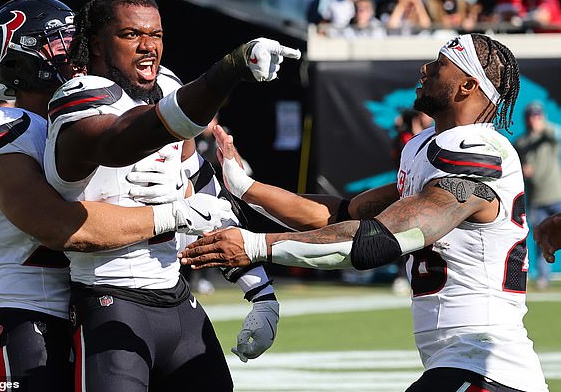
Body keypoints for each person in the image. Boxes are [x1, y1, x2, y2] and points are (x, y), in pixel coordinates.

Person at [181, 33, 549, 392]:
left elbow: (379, 239)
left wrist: (258, 246)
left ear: (467, 86)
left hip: (488, 365)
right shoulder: (425, 147)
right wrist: (245, 187)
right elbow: (343, 215)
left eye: (440, 64)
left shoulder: (474, 152)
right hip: (460, 362)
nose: (425, 69)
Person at [0, 0, 277, 391]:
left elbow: (203, 189)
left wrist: (256, 286)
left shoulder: (123, 95)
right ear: (19, 60)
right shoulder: (7, 129)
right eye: (61, 41)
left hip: (109, 305)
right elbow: (62, 228)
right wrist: (174, 213)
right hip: (31, 317)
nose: (74, 47)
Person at [515, 100, 561, 290]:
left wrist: (543, 126)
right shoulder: (520, 142)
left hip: (556, 195)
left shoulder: (549, 135)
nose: (534, 119)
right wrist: (522, 169)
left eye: (537, 115)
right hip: (536, 199)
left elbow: (557, 133)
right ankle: (543, 277)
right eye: (531, 116)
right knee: (541, 239)